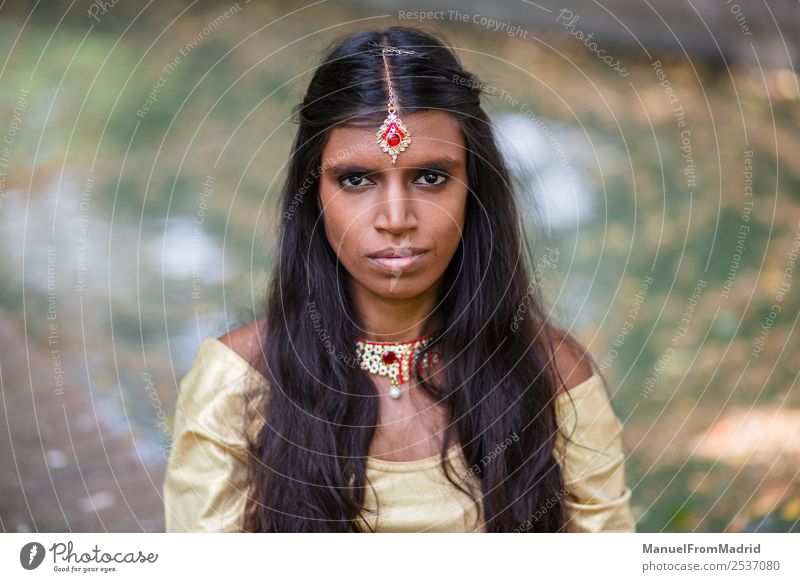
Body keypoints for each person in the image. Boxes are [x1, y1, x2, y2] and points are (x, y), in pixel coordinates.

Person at [163, 25, 636, 533]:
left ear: (474, 190)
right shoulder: (237, 383)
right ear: (312, 195)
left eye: (431, 177)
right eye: (356, 179)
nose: (396, 218)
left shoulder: (553, 375)